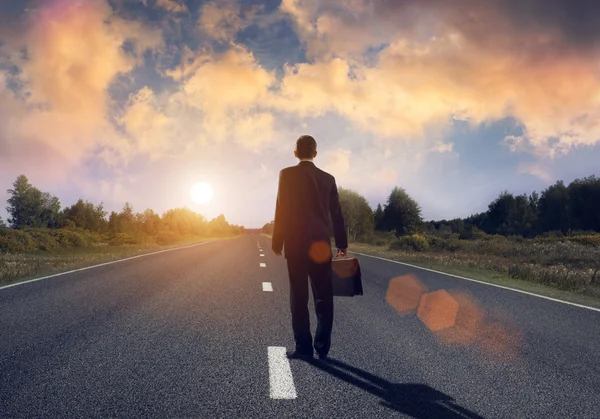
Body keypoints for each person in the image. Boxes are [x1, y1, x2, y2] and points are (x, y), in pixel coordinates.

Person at [272, 135, 348, 361]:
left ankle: (304, 348)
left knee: (298, 296)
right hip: (320, 245)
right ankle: (322, 347)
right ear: (316, 153)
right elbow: (337, 214)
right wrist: (342, 244)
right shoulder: (328, 179)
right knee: (324, 296)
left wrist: (278, 242)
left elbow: (281, 209)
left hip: (295, 244)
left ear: (295, 153)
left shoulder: (286, 174)